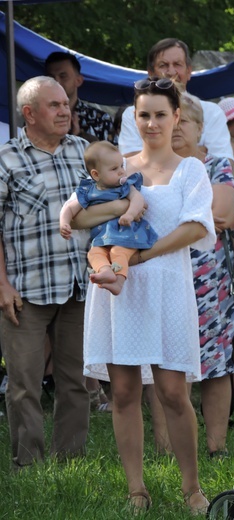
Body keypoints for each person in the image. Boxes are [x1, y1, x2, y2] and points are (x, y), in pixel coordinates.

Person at [80, 77, 215, 514]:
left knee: (173, 391)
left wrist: (140, 256)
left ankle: (192, 487)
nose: (152, 122)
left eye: (160, 114)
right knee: (122, 391)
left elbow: (197, 228)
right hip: (117, 290)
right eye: (144, 114)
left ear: (177, 116)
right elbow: (83, 215)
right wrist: (122, 207)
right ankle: (136, 489)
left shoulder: (190, 168)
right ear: (133, 117)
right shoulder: (119, 167)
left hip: (166, 286)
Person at [0, 76, 91, 468]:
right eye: (54, 105)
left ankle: (70, 461)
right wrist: (1, 284)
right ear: (29, 113)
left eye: (65, 103)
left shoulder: (83, 151)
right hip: (25, 291)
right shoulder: (6, 159)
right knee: (24, 385)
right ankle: (29, 464)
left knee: (77, 382)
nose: (64, 110)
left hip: (77, 287)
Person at [172, 92, 234, 457]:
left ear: (199, 127)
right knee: (169, 365)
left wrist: (175, 214)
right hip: (166, 275)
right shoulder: (152, 168)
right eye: (173, 118)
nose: (177, 126)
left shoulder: (217, 165)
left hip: (211, 283)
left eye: (185, 120)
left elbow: (223, 212)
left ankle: (215, 447)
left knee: (216, 366)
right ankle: (173, 448)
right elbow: (203, 216)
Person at [59, 141, 157, 296]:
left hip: (127, 233)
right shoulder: (88, 191)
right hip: (102, 238)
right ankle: (105, 270)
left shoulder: (125, 187)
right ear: (96, 174)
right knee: (93, 254)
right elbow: (70, 208)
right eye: (114, 168)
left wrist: (130, 214)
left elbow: (138, 199)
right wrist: (64, 222)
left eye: (121, 166)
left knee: (118, 252)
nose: (121, 172)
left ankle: (119, 281)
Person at [117, 38, 234, 161]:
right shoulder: (134, 114)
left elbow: (224, 166)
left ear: (189, 71)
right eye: (163, 65)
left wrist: (152, 153)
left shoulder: (212, 112)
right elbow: (130, 163)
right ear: (151, 73)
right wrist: (197, 151)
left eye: (177, 64)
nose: (171, 72)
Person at [44, 51, 115, 143]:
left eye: (63, 76)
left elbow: (113, 155)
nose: (56, 82)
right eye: (51, 77)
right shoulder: (38, 117)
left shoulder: (100, 119)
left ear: (78, 80)